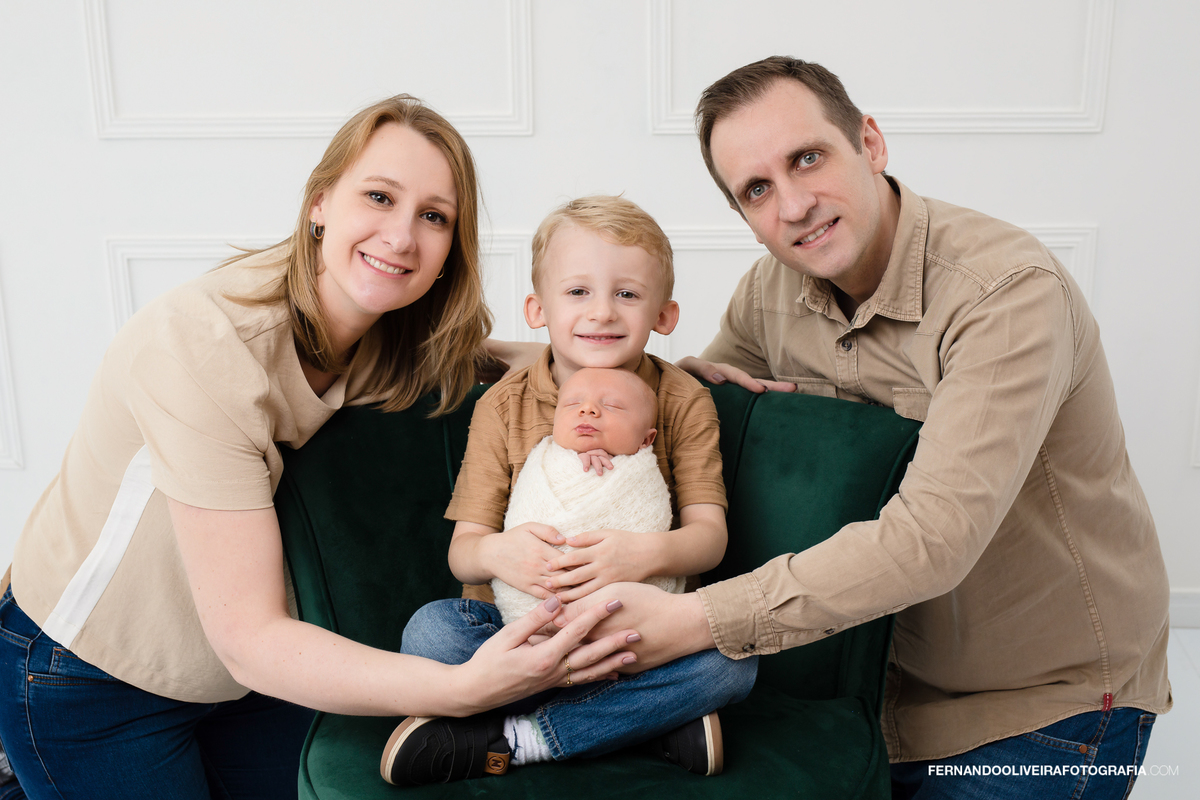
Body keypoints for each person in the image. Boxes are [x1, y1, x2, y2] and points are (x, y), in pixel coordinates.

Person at [546, 57, 1169, 799]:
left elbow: (930, 542)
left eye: (808, 158)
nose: (795, 204)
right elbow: (663, 402)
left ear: (870, 143)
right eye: (757, 189)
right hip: (861, 686)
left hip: (1040, 704)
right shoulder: (772, 290)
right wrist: (497, 356)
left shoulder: (1005, 295)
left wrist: (693, 622)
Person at [0, 96, 639, 800]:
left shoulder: (380, 333)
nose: (401, 236)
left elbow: (488, 358)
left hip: (243, 681)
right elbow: (250, 638)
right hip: (90, 673)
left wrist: (651, 376)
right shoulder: (204, 346)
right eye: (379, 196)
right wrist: (464, 688)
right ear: (319, 203)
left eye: (433, 216)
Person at [385, 196, 757, 786]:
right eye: (578, 292)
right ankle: (643, 721)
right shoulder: (504, 404)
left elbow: (709, 540)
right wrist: (499, 554)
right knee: (430, 632)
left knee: (733, 664)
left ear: (664, 314)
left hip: (631, 632)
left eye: (628, 294)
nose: (603, 313)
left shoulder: (683, 399)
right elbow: (465, 551)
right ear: (538, 309)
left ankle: (520, 736)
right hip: (514, 628)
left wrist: (644, 555)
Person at [490, 366, 683, 625]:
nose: (587, 410)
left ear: (646, 440)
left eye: (613, 405)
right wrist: (574, 466)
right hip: (531, 609)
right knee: (434, 623)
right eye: (572, 403)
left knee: (723, 661)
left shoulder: (642, 474)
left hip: (622, 619)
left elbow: (650, 519)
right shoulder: (544, 460)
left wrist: (603, 473)